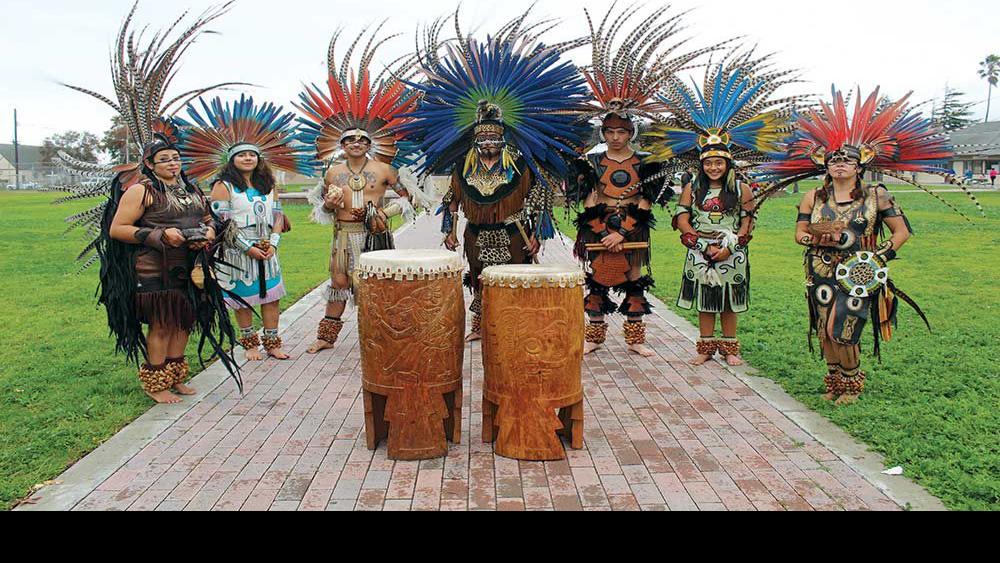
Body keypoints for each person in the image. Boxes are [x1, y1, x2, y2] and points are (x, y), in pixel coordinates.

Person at [56, 4, 243, 404]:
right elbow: (118, 230)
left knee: (184, 321)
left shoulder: (192, 187)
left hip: (191, 265)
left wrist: (210, 230)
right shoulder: (141, 191)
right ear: (150, 164)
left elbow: (209, 215)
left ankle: (176, 374)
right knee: (160, 324)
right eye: (165, 160)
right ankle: (155, 382)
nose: (173, 163)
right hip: (153, 269)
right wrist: (161, 233)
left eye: (176, 158)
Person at [761, 87, 977, 405]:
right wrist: (816, 238)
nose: (839, 165)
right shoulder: (814, 197)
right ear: (826, 166)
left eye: (847, 161)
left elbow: (902, 232)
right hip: (820, 270)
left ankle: (852, 383)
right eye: (834, 161)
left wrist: (878, 257)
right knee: (824, 329)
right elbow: (800, 233)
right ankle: (834, 379)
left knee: (844, 328)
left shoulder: (877, 195)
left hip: (858, 273)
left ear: (859, 167)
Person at [402, 10, 591, 342]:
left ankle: (514, 328)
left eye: (494, 138)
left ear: (503, 138)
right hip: (476, 233)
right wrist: (449, 230)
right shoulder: (463, 166)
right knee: (478, 278)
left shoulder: (521, 165)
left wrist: (537, 235)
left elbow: (539, 202)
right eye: (483, 138)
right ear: (475, 139)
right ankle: (481, 326)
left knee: (515, 279)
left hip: (513, 233)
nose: (489, 142)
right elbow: (452, 199)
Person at [568, 4, 715, 357]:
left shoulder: (646, 164)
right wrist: (604, 230)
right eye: (610, 131)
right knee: (598, 278)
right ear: (603, 132)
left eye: (622, 131)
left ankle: (635, 340)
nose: (616, 136)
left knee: (634, 278)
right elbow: (589, 199)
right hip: (599, 223)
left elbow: (646, 201)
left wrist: (625, 230)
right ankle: (595, 337)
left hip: (633, 225)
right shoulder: (592, 162)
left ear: (631, 131)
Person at [645, 51, 799, 366]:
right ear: (702, 164)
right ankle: (705, 349)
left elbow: (748, 219)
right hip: (699, 247)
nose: (714, 166)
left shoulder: (741, 189)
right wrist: (696, 240)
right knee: (705, 299)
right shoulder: (693, 187)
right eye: (709, 162)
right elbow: (681, 215)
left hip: (732, 251)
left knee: (728, 300)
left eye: (719, 162)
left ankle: (730, 348)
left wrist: (732, 245)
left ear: (727, 163)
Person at [295, 28, 423, 354]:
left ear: (370, 143)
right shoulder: (333, 172)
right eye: (350, 140)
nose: (356, 143)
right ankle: (326, 337)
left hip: (375, 233)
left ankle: (381, 338)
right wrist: (327, 202)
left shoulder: (384, 170)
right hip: (342, 234)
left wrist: (383, 212)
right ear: (342, 144)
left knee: (377, 285)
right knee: (338, 283)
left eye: (362, 140)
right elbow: (322, 210)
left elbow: (412, 201)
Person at [177, 95, 317, 362]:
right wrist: (248, 248)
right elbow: (222, 223)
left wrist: (273, 243)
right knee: (243, 299)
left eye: (252, 154)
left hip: (267, 246)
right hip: (236, 249)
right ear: (232, 160)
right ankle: (250, 344)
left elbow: (277, 215)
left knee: (271, 298)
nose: (248, 158)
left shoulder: (268, 183)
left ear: (259, 158)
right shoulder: (223, 186)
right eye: (242, 154)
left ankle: (273, 343)